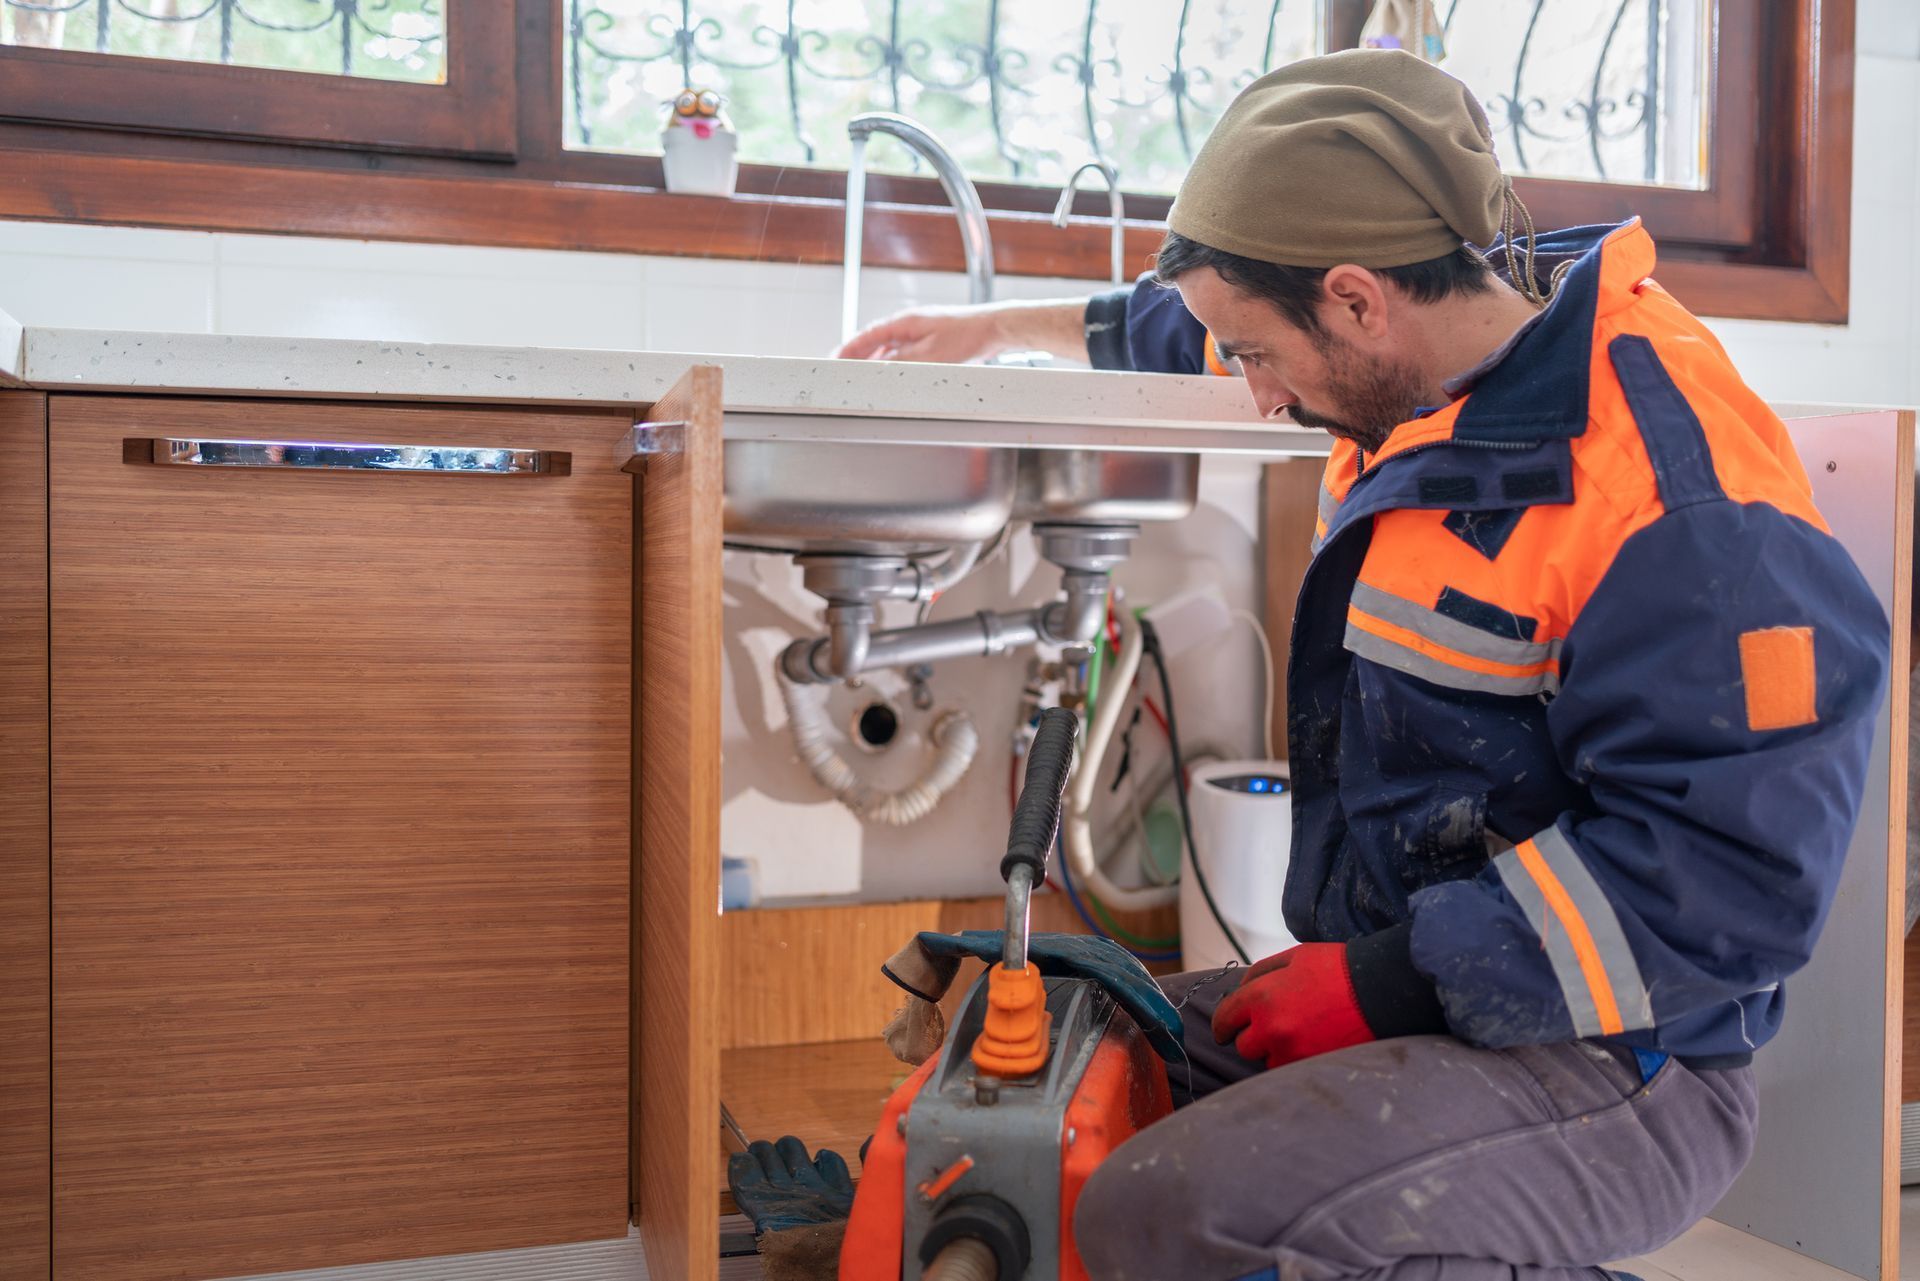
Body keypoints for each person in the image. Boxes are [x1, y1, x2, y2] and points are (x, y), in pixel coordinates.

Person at [839, 49, 1891, 1281]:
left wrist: (1386, 987)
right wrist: (986, 327)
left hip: (1628, 1061)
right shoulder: (1426, 348)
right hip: (1441, 988)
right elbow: (1204, 308)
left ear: (1355, 299)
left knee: (1165, 1215)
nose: (1256, 399)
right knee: (1055, 1060)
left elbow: (1731, 882)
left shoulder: (1671, 501)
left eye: (1256, 357)